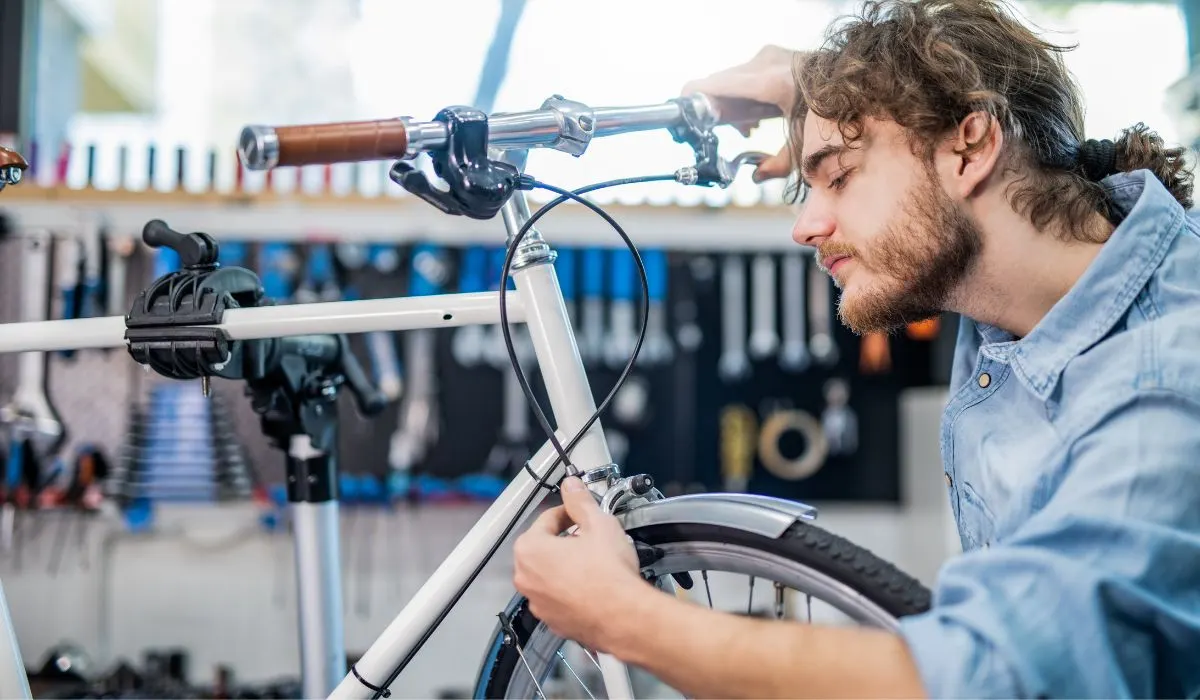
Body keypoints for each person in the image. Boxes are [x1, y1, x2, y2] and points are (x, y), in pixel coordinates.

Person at [511, 0, 1200, 696]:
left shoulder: (1163, 385)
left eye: (837, 176)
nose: (805, 226)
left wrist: (622, 618)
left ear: (970, 147)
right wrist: (804, 78)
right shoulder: (1035, 271)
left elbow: (983, 682)